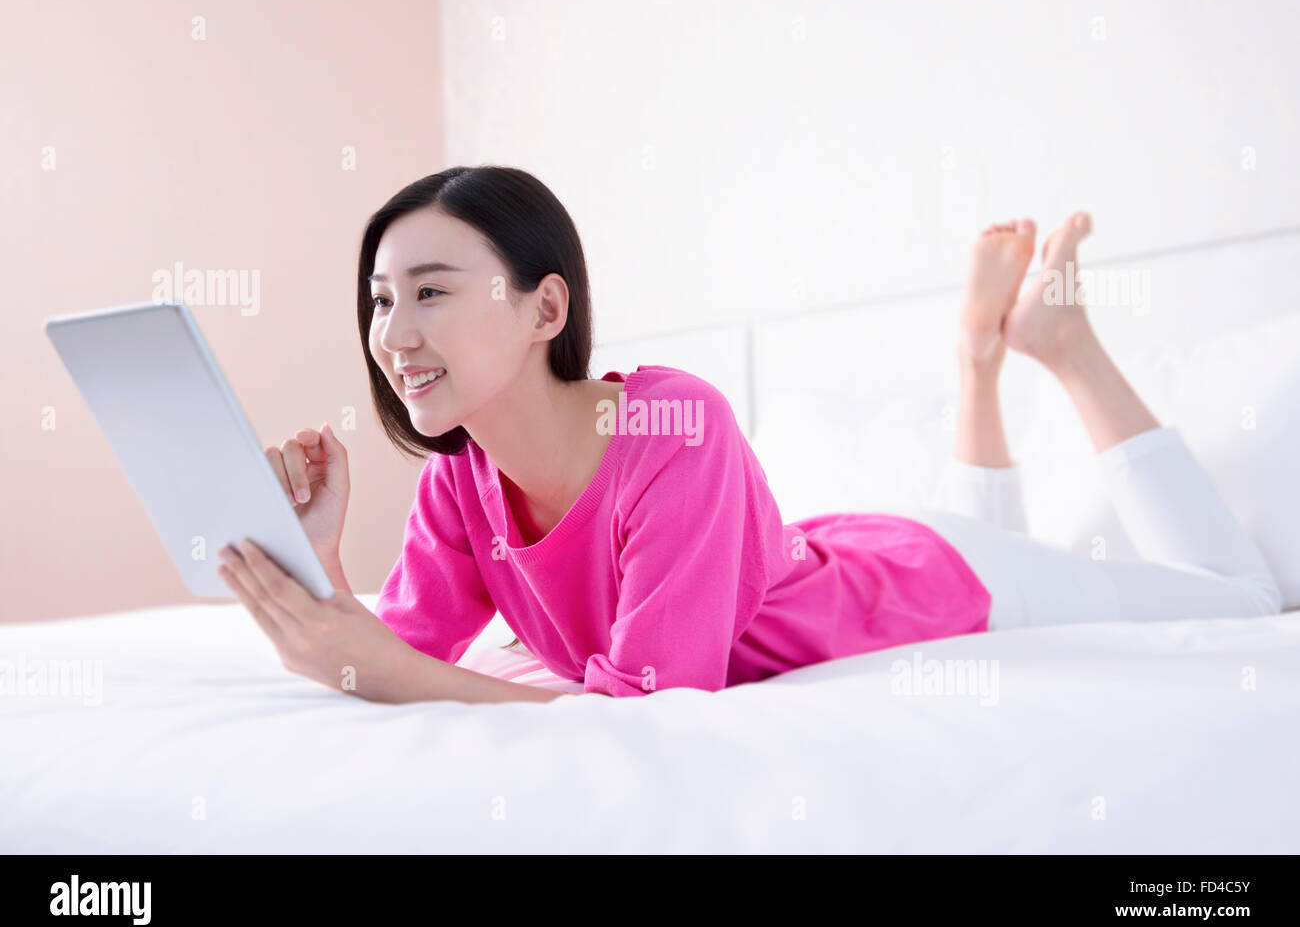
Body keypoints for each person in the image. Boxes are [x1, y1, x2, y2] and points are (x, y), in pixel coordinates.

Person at [217, 166, 1282, 705]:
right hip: (844, 549)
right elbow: (396, 652)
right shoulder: (463, 478)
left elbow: (651, 709)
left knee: (1241, 603)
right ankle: (976, 358)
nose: (392, 335)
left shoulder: (675, 427)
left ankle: (1060, 345)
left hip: (922, 578)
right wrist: (317, 560)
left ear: (546, 311)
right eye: (378, 301)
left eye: (431, 292)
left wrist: (382, 671)